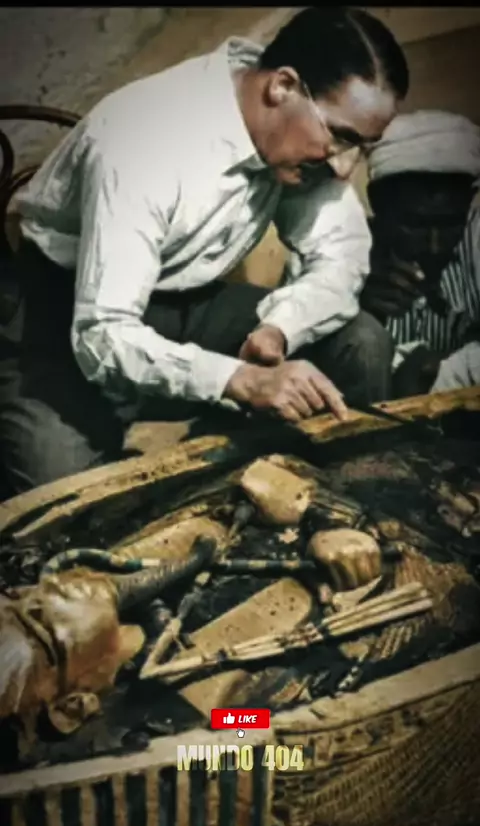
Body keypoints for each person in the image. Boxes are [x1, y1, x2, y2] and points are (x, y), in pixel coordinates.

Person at [0, 7, 409, 497]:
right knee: (70, 505)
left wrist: (282, 326)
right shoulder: (145, 138)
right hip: (61, 322)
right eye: (341, 137)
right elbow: (104, 335)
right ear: (281, 86)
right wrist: (238, 379)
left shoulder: (300, 138)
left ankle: (326, 501)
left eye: (363, 145)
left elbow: (341, 256)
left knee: (360, 343)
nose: (345, 168)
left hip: (183, 307)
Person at [361, 109, 480, 398]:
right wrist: (355, 310)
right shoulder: (335, 250)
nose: (435, 246)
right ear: (378, 204)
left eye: (451, 223)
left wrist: (446, 372)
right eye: (415, 224)